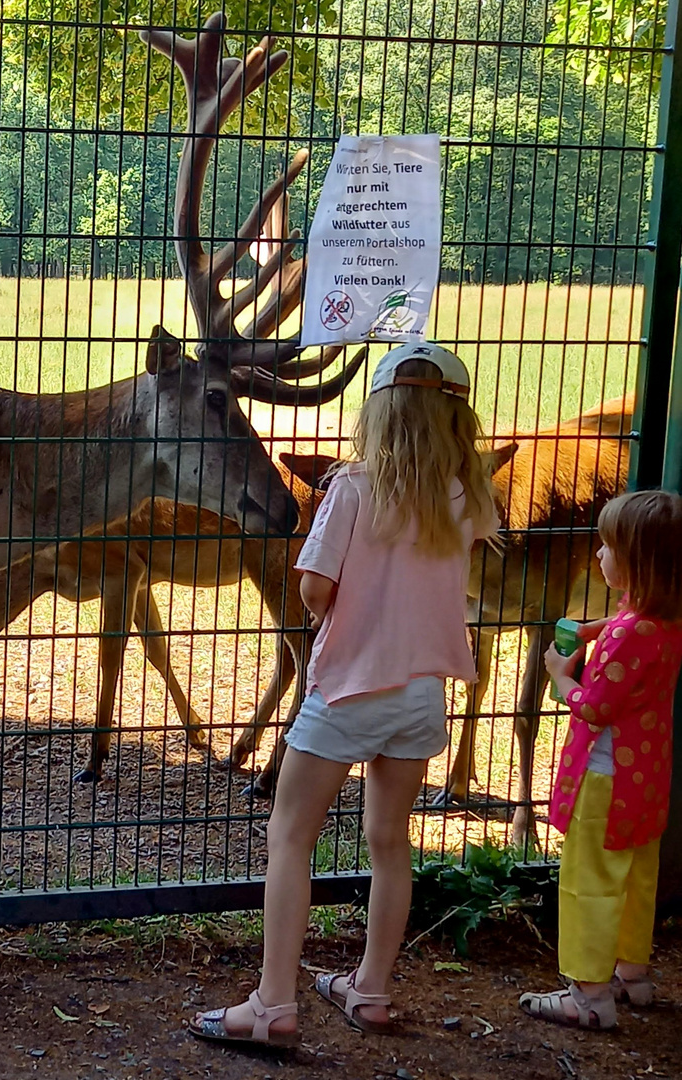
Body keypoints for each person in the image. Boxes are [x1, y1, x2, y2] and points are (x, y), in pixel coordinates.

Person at [188, 341, 499, 1048]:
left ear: (380, 413)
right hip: (422, 692)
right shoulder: (465, 495)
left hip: (347, 689)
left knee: (290, 836)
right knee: (390, 842)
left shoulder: (351, 491)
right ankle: (370, 989)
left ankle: (271, 1005)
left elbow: (313, 590)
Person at [519, 489, 682, 1030]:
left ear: (635, 562)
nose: (598, 556)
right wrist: (592, 632)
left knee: (588, 877)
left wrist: (562, 678)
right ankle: (632, 973)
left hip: (605, 781)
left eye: (607, 547)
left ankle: (588, 993)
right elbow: (623, 633)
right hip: (647, 780)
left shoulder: (629, 635)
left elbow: (596, 707)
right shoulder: (663, 622)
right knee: (637, 873)